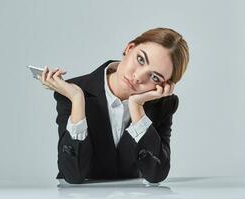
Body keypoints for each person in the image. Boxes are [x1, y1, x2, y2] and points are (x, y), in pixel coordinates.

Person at [36, 27, 189, 184]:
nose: (138, 77)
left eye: (155, 77)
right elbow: (73, 175)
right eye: (141, 60)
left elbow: (156, 175)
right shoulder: (72, 91)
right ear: (129, 48)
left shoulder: (163, 105)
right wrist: (77, 99)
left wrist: (137, 107)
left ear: (164, 85)